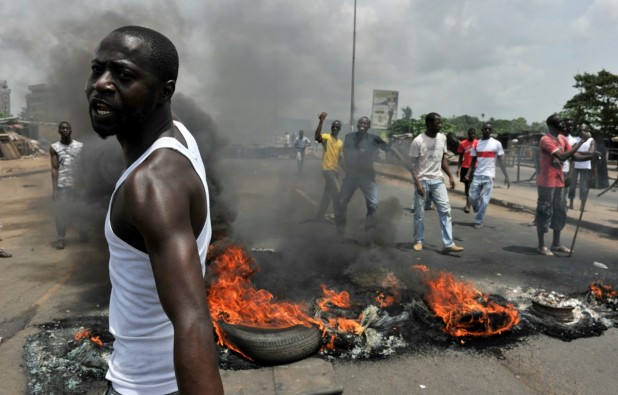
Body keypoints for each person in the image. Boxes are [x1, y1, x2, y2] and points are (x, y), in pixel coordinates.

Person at [85, 26, 223, 394]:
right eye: (98, 70)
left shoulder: (152, 185)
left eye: (124, 75)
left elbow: (192, 319)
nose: (102, 83)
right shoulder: (178, 134)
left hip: (145, 388)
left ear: (165, 91)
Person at [335, 116, 411, 241]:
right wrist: (347, 170)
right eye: (360, 122)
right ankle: (340, 233)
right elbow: (344, 154)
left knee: (373, 206)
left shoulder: (374, 139)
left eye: (365, 123)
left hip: (367, 177)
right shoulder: (349, 137)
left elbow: (390, 149)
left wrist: (403, 160)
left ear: (368, 126)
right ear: (357, 124)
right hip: (352, 177)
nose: (362, 125)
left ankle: (368, 234)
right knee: (341, 203)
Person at [535, 114, 592, 256]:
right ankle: (541, 245)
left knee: (560, 211)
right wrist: (580, 142)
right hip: (547, 182)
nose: (564, 124)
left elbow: (574, 156)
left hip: (559, 181)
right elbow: (562, 156)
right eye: (560, 122)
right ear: (552, 125)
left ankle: (556, 244)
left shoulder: (562, 138)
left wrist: (592, 155)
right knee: (545, 212)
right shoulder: (546, 140)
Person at [409, 113, 464, 254]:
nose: (440, 125)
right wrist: (418, 182)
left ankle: (448, 243)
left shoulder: (442, 138)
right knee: (419, 213)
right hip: (423, 181)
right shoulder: (418, 141)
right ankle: (418, 241)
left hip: (438, 180)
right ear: (428, 124)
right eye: (437, 123)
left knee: (445, 210)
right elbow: (412, 165)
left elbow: (442, 159)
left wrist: (450, 176)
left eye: (440, 122)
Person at [465, 122, 511, 228]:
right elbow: (473, 161)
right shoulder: (476, 144)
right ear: (482, 130)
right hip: (477, 174)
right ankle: (478, 211)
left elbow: (501, 161)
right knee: (472, 197)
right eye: (485, 129)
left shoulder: (496, 143)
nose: (487, 131)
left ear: (491, 131)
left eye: (489, 129)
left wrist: (507, 177)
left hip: (489, 176)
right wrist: (468, 173)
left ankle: (478, 220)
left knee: (485, 200)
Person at [50, 121, 83, 250]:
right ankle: (61, 239)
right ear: (58, 131)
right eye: (62, 128)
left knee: (81, 209)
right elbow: (54, 169)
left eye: (67, 128)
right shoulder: (54, 147)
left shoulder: (80, 146)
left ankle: (83, 233)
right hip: (62, 185)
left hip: (77, 184)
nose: (65, 130)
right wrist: (54, 190)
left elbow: (84, 166)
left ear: (71, 130)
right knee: (60, 212)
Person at [314, 112, 343, 220]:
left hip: (335, 171)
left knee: (327, 195)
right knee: (337, 191)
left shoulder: (340, 143)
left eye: (337, 127)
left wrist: (348, 171)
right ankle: (338, 216)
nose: (335, 128)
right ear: (331, 128)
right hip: (327, 170)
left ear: (339, 129)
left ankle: (319, 216)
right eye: (333, 127)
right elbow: (317, 137)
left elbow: (340, 158)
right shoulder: (326, 137)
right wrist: (321, 122)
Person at [568, 123, 596, 210]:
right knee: (572, 185)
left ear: (587, 131)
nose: (581, 132)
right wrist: (577, 153)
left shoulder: (591, 140)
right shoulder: (575, 140)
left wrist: (578, 153)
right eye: (580, 130)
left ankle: (582, 205)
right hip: (575, 165)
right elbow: (571, 151)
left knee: (583, 187)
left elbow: (591, 152)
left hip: (586, 166)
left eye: (583, 130)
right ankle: (571, 203)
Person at [456, 127, 478, 213]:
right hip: (465, 167)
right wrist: (458, 168)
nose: (472, 135)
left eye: (473, 134)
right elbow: (461, 157)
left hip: (475, 167)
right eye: (470, 134)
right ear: (468, 134)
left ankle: (471, 202)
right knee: (467, 186)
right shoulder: (463, 143)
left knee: (474, 186)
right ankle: (468, 203)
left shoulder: (477, 143)